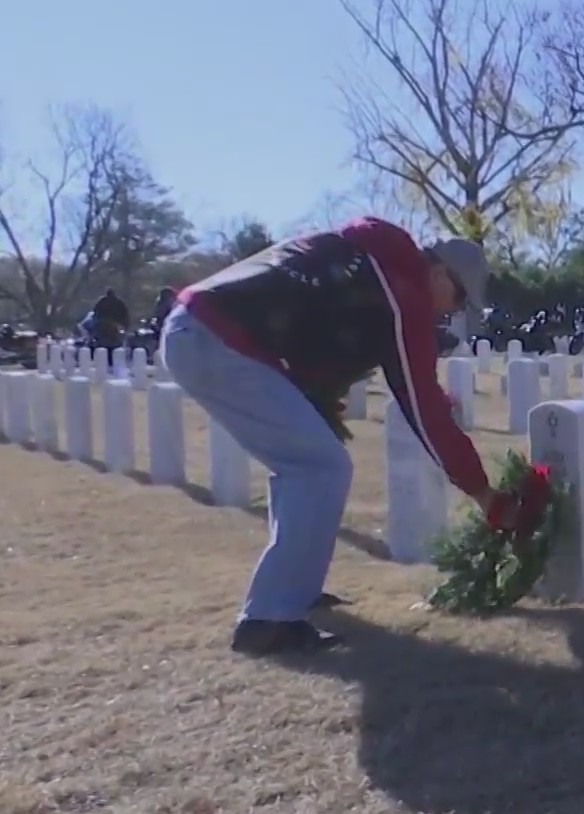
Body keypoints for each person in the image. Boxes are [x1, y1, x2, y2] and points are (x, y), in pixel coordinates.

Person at [160, 217, 529, 655]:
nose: (451, 311)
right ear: (436, 273)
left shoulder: (370, 262)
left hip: (203, 330)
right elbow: (422, 405)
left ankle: (293, 593)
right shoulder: (402, 290)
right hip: (218, 340)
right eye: (459, 296)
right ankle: (269, 619)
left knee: (305, 463)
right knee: (319, 467)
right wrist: (485, 494)